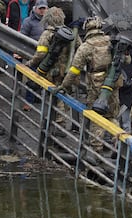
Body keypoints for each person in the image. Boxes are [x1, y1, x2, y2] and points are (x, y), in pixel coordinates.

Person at [59, 16, 127, 153]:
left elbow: (74, 70)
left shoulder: (86, 47)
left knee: (97, 116)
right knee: (112, 116)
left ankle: (96, 150)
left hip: (96, 85)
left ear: (87, 29)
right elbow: (127, 59)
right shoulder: (111, 42)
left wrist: (63, 85)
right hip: (113, 82)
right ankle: (118, 143)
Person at [24, 7, 80, 136]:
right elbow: (80, 50)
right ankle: (61, 123)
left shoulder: (47, 34)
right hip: (67, 72)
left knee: (53, 98)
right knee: (64, 97)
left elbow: (41, 53)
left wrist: (30, 63)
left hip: (51, 72)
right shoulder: (71, 33)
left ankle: (57, 126)